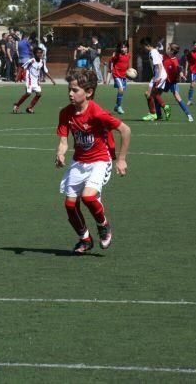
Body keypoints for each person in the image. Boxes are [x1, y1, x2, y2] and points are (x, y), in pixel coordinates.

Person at [55, 68, 131, 255]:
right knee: (70, 205)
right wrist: (61, 153)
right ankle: (85, 239)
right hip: (79, 161)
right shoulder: (66, 113)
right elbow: (64, 140)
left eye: (75, 90)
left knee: (89, 197)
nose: (70, 94)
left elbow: (125, 130)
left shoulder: (97, 113)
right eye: (69, 90)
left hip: (100, 160)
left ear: (88, 92)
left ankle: (103, 225)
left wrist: (121, 159)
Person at [13, 46, 56, 114]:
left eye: (41, 53)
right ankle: (17, 105)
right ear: (35, 54)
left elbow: (45, 71)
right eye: (38, 53)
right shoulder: (31, 61)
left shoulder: (42, 62)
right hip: (29, 80)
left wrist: (52, 79)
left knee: (39, 94)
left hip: (36, 81)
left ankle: (29, 108)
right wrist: (17, 77)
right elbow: (22, 67)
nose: (40, 54)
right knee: (28, 93)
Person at [162, 44, 193, 122]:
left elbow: (179, 70)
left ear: (172, 51)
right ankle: (158, 115)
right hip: (164, 81)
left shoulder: (174, 62)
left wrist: (182, 75)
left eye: (168, 48)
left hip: (172, 82)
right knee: (155, 94)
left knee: (177, 96)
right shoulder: (164, 56)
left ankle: (188, 114)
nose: (167, 48)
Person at [142, 39, 168, 122]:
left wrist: (159, 77)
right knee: (150, 94)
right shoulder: (154, 51)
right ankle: (158, 111)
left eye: (143, 47)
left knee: (150, 94)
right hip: (156, 76)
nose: (143, 49)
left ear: (147, 46)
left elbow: (160, 65)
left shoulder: (153, 52)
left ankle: (154, 113)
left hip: (159, 76)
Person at [106, 41, 130, 114]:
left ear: (127, 48)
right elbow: (110, 61)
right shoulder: (117, 55)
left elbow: (126, 64)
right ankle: (119, 106)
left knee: (121, 92)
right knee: (121, 89)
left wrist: (128, 72)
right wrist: (110, 70)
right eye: (122, 47)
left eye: (125, 47)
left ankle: (116, 106)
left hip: (123, 76)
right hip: (116, 75)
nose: (123, 49)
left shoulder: (128, 55)